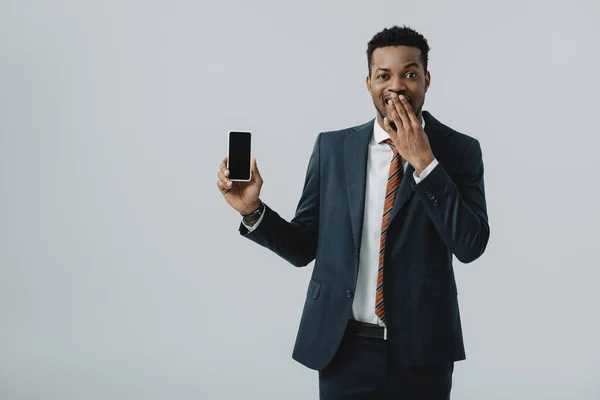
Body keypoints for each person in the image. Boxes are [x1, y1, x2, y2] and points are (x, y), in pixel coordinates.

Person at [217, 25, 490, 400]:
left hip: (424, 353)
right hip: (343, 350)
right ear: (368, 83)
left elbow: (471, 244)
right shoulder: (333, 148)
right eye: (384, 75)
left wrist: (425, 163)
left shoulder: (459, 151)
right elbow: (302, 246)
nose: (396, 86)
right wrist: (253, 212)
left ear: (426, 79)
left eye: (409, 74)